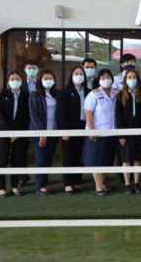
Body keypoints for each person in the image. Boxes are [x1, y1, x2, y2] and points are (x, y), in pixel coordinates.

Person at [82, 69, 117, 197]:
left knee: (107, 160)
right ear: (99, 80)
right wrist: (91, 131)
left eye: (108, 77)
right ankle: (98, 187)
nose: (106, 80)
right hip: (97, 133)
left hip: (112, 132)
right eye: (102, 78)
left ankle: (102, 183)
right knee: (96, 160)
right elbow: (88, 113)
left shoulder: (116, 92)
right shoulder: (94, 94)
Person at [115, 69, 141, 195]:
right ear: (125, 80)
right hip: (126, 132)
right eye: (129, 77)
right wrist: (121, 135)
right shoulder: (120, 95)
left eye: (134, 77)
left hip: (140, 131)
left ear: (138, 79)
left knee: (137, 159)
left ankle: (136, 184)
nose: (131, 79)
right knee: (126, 159)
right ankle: (127, 184)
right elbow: (118, 116)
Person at [56, 66, 90, 194]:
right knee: (69, 155)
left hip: (84, 127)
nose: (78, 76)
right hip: (69, 128)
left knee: (80, 155)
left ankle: (76, 180)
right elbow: (61, 113)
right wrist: (64, 131)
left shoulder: (89, 91)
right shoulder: (65, 92)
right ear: (72, 76)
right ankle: (68, 183)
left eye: (81, 74)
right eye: (76, 73)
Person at [0, 71, 30, 197]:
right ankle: (1, 187)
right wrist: (10, 132)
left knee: (17, 159)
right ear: (8, 82)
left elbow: (27, 116)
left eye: (17, 78)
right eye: (12, 79)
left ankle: (14, 186)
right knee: (3, 159)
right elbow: (2, 115)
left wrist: (18, 132)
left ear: (21, 81)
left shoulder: (26, 95)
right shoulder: (3, 94)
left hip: (20, 133)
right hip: (4, 131)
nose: (14, 81)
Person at [29, 69, 59, 195]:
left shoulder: (57, 94)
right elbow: (33, 114)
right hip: (40, 132)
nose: (48, 80)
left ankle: (44, 181)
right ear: (40, 81)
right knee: (41, 157)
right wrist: (41, 132)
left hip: (54, 131)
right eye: (45, 78)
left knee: (49, 157)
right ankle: (40, 186)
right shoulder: (35, 95)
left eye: (50, 78)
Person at [19, 59, 39, 186]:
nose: (31, 70)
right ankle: (23, 176)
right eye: (29, 68)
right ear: (25, 70)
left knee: (39, 149)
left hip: (38, 120)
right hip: (23, 121)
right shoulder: (19, 84)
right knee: (22, 149)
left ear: (38, 69)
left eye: (34, 67)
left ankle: (40, 177)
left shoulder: (43, 83)